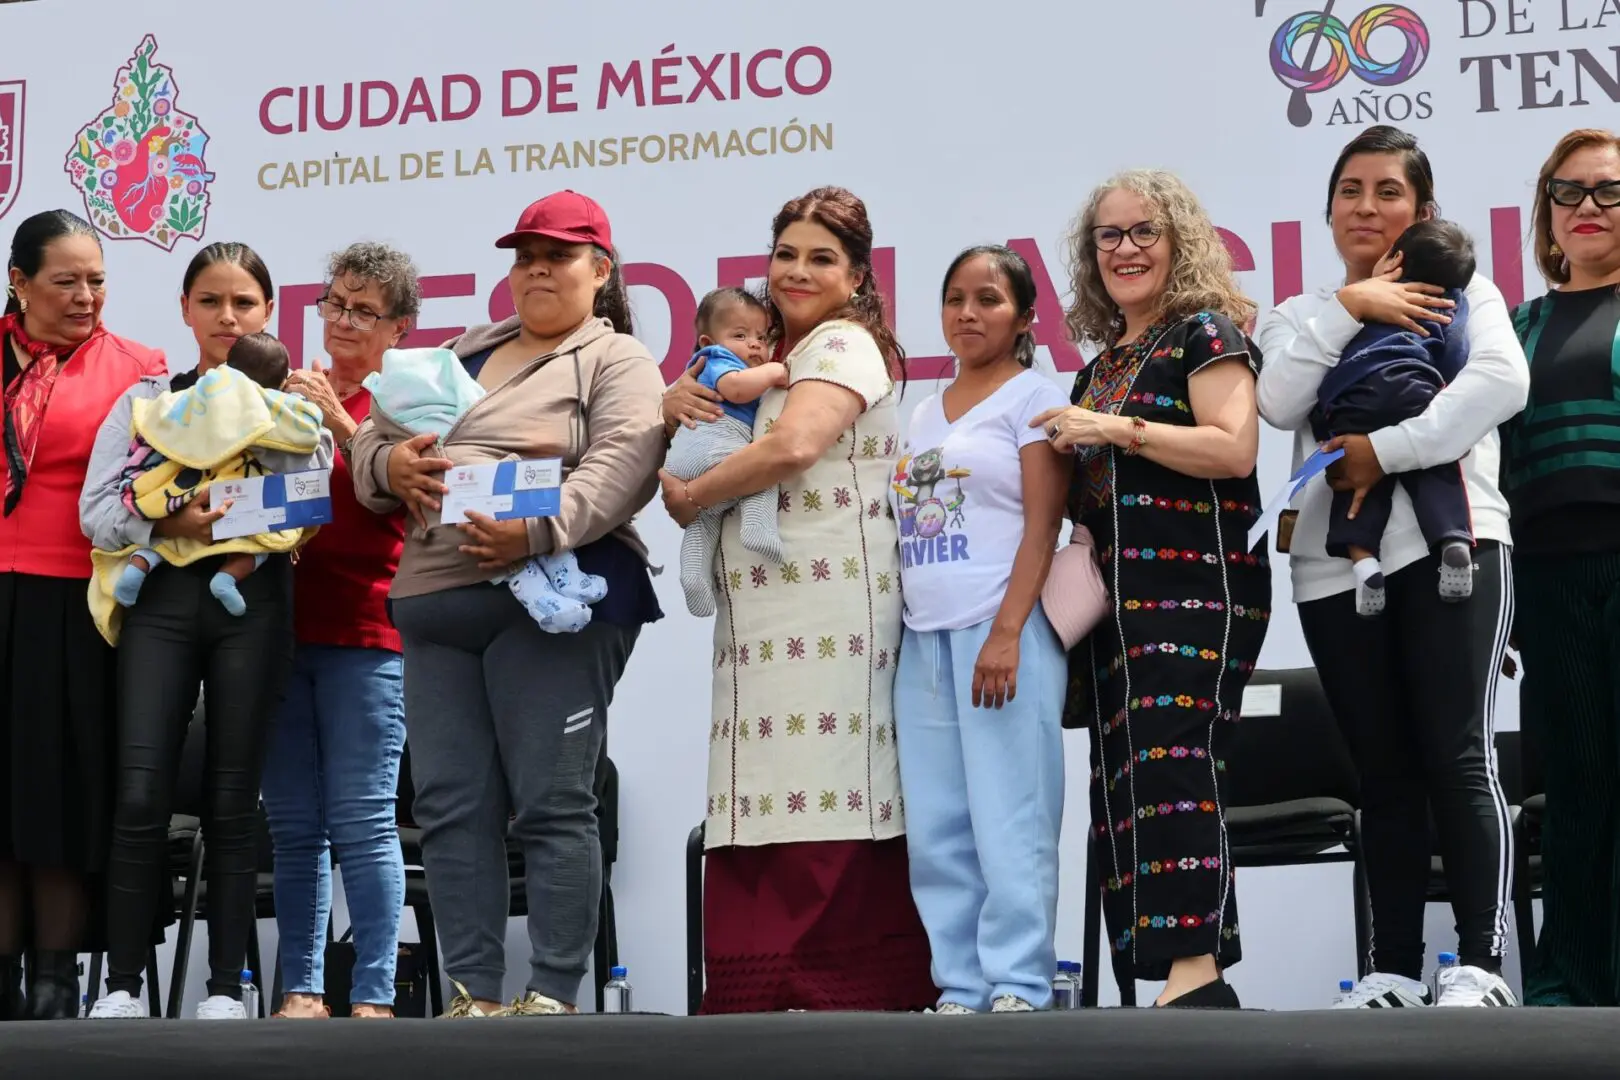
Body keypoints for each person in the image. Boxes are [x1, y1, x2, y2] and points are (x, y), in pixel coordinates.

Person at [349, 190, 665, 1018]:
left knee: (554, 800)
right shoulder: (461, 348)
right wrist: (392, 469)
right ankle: (471, 998)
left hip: (549, 602)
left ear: (600, 270)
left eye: (555, 256)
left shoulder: (616, 359)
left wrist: (538, 533)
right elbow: (369, 437)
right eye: (524, 255)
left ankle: (553, 997)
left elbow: (624, 463)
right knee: (451, 808)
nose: (535, 270)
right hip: (434, 602)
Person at [1256, 125, 1529, 1009]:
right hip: (1338, 569)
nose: (1367, 208)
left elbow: (1500, 382)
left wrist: (1386, 449)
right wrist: (1353, 308)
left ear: (1423, 210)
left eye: (1389, 192)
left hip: (1458, 545)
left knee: (1457, 753)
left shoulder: (1465, 288)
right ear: (1330, 209)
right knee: (1381, 769)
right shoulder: (1302, 311)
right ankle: (1391, 972)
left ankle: (1482, 965)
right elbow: (1277, 399)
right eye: (1351, 192)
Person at [659, 186, 936, 1014]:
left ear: (857, 277)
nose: (798, 270)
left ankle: (837, 1001)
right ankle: (757, 998)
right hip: (761, 625)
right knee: (757, 793)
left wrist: (694, 495)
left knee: (826, 783)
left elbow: (798, 444)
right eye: (786, 253)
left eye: (822, 257)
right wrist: (673, 403)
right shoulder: (768, 354)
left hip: (833, 614)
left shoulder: (845, 344)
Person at [81, 242, 334, 1019]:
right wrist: (167, 519)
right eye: (212, 302)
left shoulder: (295, 404)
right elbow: (95, 512)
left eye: (246, 304)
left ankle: (228, 988)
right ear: (186, 310)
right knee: (138, 791)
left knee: (231, 798)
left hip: (250, 605)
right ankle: (122, 985)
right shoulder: (146, 400)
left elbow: (309, 505)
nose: (228, 317)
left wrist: (237, 522)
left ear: (268, 313)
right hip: (158, 600)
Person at [1035, 169, 1269, 1009]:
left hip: (1197, 587)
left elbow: (1232, 450)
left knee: (1176, 764)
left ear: (1179, 242)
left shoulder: (1204, 335)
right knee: (1123, 781)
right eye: (1109, 236)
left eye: (1143, 232)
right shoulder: (1095, 370)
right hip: (1114, 606)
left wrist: (1118, 429)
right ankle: (1157, 981)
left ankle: (1198, 976)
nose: (1125, 249)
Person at [890, 246, 1070, 1013]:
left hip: (1004, 633)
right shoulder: (922, 411)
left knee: (1011, 815)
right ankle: (960, 984)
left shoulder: (1035, 396)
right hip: (923, 638)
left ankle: (1019, 982)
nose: (968, 313)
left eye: (989, 299)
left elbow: (1043, 526)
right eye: (955, 299)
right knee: (939, 830)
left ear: (1026, 317)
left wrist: (1006, 632)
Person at [0, 210, 167, 1020]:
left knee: (56, 795)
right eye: (64, 281)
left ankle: (55, 987)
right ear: (19, 283)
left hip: (76, 605)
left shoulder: (140, 370)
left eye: (96, 279)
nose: (85, 296)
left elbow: (151, 487)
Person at [262, 242, 417, 1020]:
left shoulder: (411, 402)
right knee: (294, 826)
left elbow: (414, 504)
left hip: (367, 631)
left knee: (361, 816)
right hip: (280, 636)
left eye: (366, 310)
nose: (346, 321)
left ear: (400, 327)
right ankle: (300, 989)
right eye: (336, 304)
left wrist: (336, 418)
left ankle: (375, 995)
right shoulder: (285, 397)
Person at [1500, 128, 1620, 1007]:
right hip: (1548, 574)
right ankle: (1566, 982)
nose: (1587, 208)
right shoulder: (1516, 328)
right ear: (1546, 210)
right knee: (1576, 782)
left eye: (1609, 192)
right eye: (1569, 192)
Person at [363, 345, 609, 633]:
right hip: (447, 550)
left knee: (527, 529)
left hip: (498, 507)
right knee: (515, 545)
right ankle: (553, 587)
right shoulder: (463, 354)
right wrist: (386, 463)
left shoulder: (606, 354)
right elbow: (367, 435)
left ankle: (558, 581)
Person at [1309, 219, 1479, 614]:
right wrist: (1443, 382)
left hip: (1355, 394)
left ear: (1394, 258)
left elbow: (1328, 364)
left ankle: (1363, 560)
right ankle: (1452, 540)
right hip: (1414, 388)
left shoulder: (1358, 297)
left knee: (1352, 479)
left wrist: (1326, 422)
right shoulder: (1450, 302)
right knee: (1434, 462)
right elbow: (1454, 351)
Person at [107, 333, 313, 622]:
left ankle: (139, 564)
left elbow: (162, 418)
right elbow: (307, 434)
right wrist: (301, 399)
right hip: (240, 499)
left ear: (227, 367)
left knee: (164, 538)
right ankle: (227, 577)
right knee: (263, 544)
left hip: (191, 489)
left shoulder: (199, 395)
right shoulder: (277, 406)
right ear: (281, 381)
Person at [663, 287, 784, 616]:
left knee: (703, 522)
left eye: (762, 336)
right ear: (707, 342)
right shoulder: (716, 361)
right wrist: (775, 372)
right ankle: (758, 528)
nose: (755, 344)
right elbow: (736, 389)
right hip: (715, 443)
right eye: (741, 335)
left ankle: (693, 577)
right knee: (761, 470)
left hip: (687, 463)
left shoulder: (725, 360)